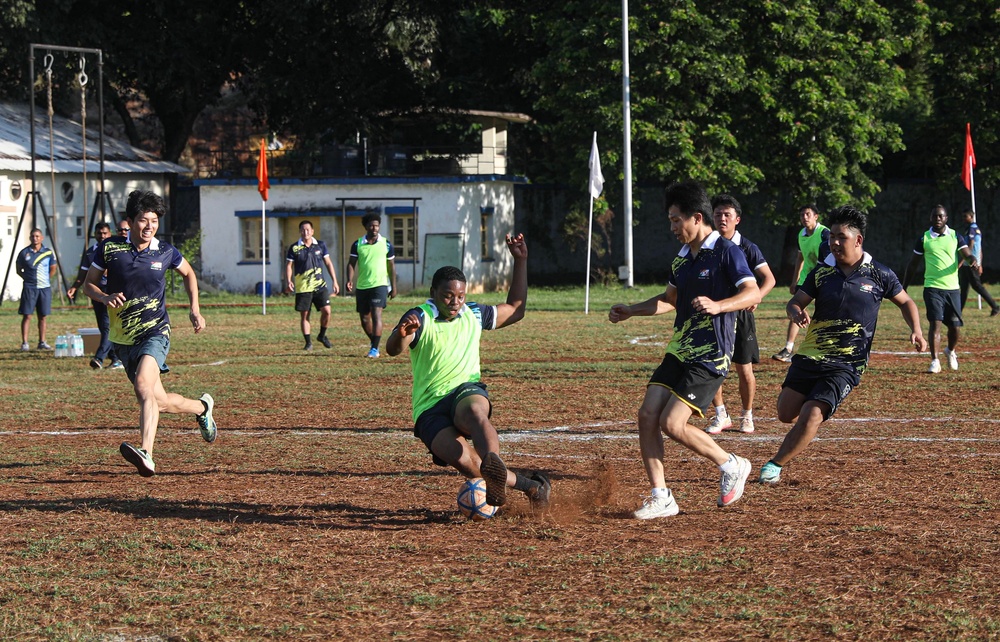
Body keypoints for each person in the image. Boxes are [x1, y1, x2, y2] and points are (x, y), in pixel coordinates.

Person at [608, 181, 760, 520]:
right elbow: (669, 301)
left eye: (677, 220)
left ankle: (732, 464)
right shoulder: (682, 259)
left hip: (711, 353)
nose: (673, 228)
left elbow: (753, 293)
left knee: (673, 423)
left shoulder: (726, 251)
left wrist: (720, 306)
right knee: (647, 415)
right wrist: (632, 309)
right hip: (680, 349)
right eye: (671, 220)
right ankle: (661, 496)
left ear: (696, 217)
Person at [760, 206, 927, 483]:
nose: (834, 242)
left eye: (841, 237)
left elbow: (906, 301)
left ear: (858, 240)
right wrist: (795, 311)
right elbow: (795, 301)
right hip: (812, 355)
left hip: (847, 363)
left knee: (812, 414)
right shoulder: (822, 272)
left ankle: (774, 465)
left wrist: (917, 331)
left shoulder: (879, 274)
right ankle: (805, 418)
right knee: (785, 413)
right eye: (832, 237)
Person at [385, 233, 550, 511]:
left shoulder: (473, 314)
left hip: (465, 391)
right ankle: (532, 486)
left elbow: (515, 310)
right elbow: (393, 349)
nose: (455, 302)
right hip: (429, 407)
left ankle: (494, 464)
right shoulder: (420, 317)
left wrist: (520, 261)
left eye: (460, 296)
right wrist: (402, 335)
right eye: (448, 296)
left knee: (475, 413)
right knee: (468, 464)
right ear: (434, 293)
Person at [82, 190, 217, 477]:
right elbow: (88, 285)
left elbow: (189, 274)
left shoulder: (165, 251)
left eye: (154, 221)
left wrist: (194, 309)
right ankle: (202, 408)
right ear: (130, 221)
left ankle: (146, 453)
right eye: (143, 220)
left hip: (155, 332)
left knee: (143, 385)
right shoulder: (108, 249)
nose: (149, 227)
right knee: (159, 400)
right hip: (122, 338)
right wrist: (105, 297)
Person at [704, 194, 776, 435]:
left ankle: (747, 415)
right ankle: (721, 414)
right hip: (714, 314)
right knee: (714, 366)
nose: (722, 219)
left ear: (737, 219)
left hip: (741, 314)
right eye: (717, 215)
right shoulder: (708, 245)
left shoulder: (747, 247)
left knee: (744, 368)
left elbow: (769, 279)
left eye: (727, 215)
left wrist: (757, 296)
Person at [903, 204, 979, 373]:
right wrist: (904, 286)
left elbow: (967, 254)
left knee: (955, 327)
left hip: (952, 289)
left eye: (941, 216)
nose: (938, 219)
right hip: (932, 287)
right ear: (931, 218)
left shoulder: (955, 236)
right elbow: (913, 264)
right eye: (935, 216)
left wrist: (972, 260)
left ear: (946, 218)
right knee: (935, 324)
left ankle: (950, 351)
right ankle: (935, 361)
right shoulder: (924, 239)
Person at [772, 205, 830, 362]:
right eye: (802, 214)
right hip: (806, 278)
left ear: (816, 216)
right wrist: (794, 280)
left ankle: (823, 348)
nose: (805, 217)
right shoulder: (801, 234)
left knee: (824, 311)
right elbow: (800, 258)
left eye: (808, 214)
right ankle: (788, 348)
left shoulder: (825, 233)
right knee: (796, 310)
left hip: (823, 277)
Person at [67, 222, 123, 369]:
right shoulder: (91, 252)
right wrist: (75, 287)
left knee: (107, 327)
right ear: (95, 234)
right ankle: (116, 358)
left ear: (110, 234)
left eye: (105, 233)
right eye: (99, 233)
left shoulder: (116, 250)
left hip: (111, 293)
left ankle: (99, 358)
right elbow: (83, 273)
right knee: (103, 326)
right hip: (96, 293)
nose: (102, 236)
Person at [346, 212, 397, 358]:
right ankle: (375, 342)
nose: (374, 228)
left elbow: (391, 266)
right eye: (371, 225)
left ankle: (374, 348)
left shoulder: (386, 244)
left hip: (380, 285)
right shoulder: (357, 244)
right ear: (366, 227)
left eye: (377, 225)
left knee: (376, 314)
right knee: (364, 318)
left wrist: (394, 286)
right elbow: (351, 264)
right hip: (362, 286)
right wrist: (349, 279)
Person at [285, 220, 340, 350]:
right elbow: (289, 265)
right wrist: (289, 280)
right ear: (300, 232)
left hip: (320, 285)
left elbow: (328, 263)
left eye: (308, 230)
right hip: (303, 287)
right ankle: (308, 342)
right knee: (305, 315)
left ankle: (322, 335)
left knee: (327, 311)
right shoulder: (294, 248)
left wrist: (335, 281)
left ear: (312, 231)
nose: (306, 232)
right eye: (303, 230)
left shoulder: (320, 245)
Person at [16, 228, 58, 351]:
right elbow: (18, 269)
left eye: (37, 236)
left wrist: (45, 280)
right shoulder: (24, 253)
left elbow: (53, 268)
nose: (35, 238)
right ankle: (25, 343)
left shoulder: (48, 252)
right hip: (30, 288)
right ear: (30, 238)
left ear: (42, 238)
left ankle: (42, 342)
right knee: (27, 315)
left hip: (44, 288)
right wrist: (28, 279)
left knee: (43, 316)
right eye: (33, 236)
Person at [957, 209, 999, 317]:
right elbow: (979, 249)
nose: (963, 219)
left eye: (965, 216)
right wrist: (980, 263)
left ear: (971, 217)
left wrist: (962, 261)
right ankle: (958, 312)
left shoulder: (972, 229)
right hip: (971, 263)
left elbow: (970, 246)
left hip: (971, 263)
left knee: (977, 286)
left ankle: (995, 306)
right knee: (964, 288)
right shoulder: (973, 229)